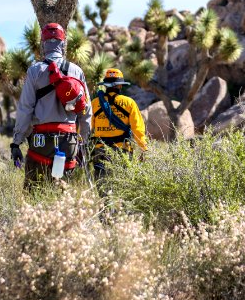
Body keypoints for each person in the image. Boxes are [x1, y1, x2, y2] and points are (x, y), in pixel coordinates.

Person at [11, 22, 92, 190]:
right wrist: (83, 143)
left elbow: (25, 109)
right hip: (69, 141)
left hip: (41, 142)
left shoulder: (35, 71)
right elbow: (86, 111)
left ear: (43, 44)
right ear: (63, 44)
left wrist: (16, 142)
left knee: (34, 193)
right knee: (62, 192)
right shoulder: (76, 71)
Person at [89, 68, 147, 179]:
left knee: (102, 184)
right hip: (122, 149)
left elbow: (87, 127)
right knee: (121, 183)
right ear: (120, 86)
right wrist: (144, 148)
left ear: (105, 85)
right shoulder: (129, 102)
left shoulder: (95, 103)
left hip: (100, 149)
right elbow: (137, 128)